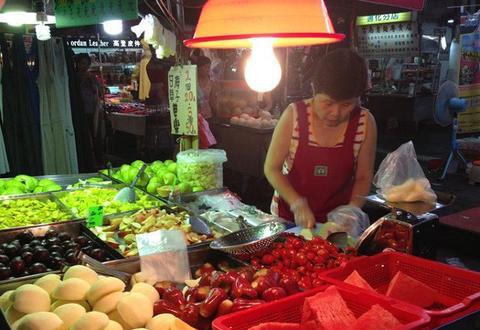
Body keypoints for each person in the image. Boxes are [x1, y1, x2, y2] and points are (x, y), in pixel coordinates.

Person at [264, 48, 377, 229]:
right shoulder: (293, 116)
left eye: (347, 104)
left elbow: (363, 177)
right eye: (328, 103)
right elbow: (272, 168)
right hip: (288, 217)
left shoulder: (365, 123)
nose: (336, 113)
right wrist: (297, 203)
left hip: (337, 224)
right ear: (314, 89)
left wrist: (351, 210)